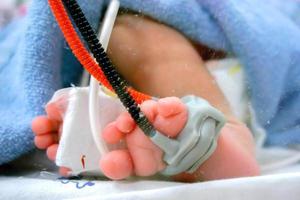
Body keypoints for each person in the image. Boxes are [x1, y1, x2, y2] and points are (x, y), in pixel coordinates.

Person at [31, 13, 260, 182]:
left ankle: (210, 133)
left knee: (124, 31)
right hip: (105, 77)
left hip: (197, 53)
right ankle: (118, 130)